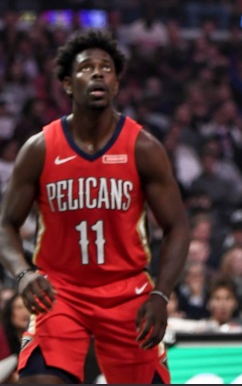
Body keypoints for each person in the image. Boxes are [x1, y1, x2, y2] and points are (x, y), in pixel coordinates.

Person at [0, 29, 191, 385]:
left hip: (127, 292)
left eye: (106, 68)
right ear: (68, 84)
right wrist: (23, 274)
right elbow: (5, 224)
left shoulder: (143, 147)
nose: (99, 73)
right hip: (60, 293)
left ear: (117, 84)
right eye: (87, 67)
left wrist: (162, 294)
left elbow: (178, 226)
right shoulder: (39, 148)